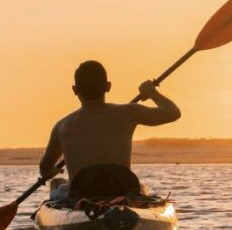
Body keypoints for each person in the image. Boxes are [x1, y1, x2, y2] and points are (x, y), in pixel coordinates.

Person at [39, 60, 181, 200]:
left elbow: (44, 168)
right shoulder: (129, 112)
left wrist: (52, 172)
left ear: (75, 90)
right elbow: (173, 112)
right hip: (122, 190)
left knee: (57, 183)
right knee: (141, 186)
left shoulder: (63, 126)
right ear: (108, 86)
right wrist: (151, 92)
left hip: (81, 195)